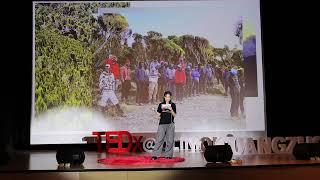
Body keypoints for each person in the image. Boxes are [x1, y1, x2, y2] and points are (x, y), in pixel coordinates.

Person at [151, 91, 176, 160]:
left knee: (170, 140)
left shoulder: (173, 105)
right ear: (164, 97)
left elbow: (174, 115)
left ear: (170, 98)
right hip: (162, 124)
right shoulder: (161, 104)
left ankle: (168, 155)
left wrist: (171, 110)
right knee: (159, 139)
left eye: (169, 97)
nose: (167, 98)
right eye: (166, 97)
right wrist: (153, 112)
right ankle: (155, 155)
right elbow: (158, 115)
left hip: (170, 124)